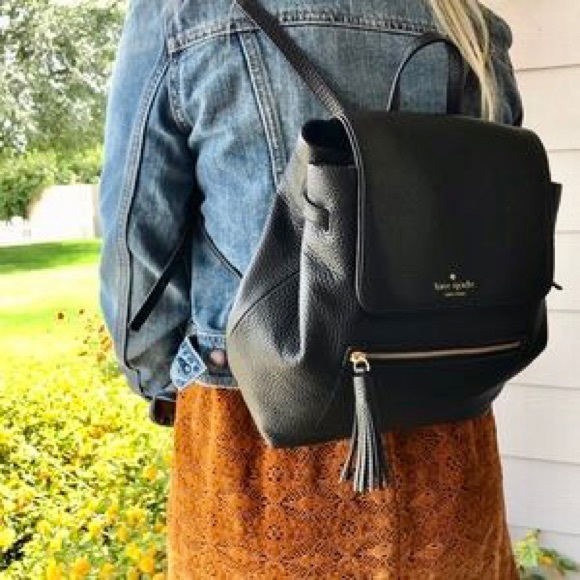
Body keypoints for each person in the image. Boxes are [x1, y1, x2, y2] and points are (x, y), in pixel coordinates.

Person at [99, 0, 523, 577]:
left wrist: (162, 377)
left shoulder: (183, 13)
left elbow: (136, 238)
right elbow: (495, 219)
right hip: (445, 441)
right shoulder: (468, 22)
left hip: (256, 429)